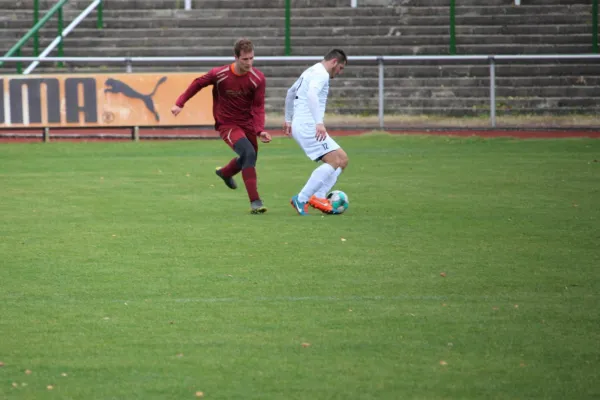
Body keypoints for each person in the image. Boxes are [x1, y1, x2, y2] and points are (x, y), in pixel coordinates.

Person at [171, 38, 272, 214]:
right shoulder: (220, 74)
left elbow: (258, 107)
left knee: (249, 158)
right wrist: (180, 103)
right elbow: (198, 83)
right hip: (227, 124)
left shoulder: (258, 79)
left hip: (247, 124)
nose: (249, 63)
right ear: (235, 57)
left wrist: (260, 130)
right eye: (245, 59)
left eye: (251, 58)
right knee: (248, 153)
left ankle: (225, 173)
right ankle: (255, 201)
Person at [284, 49, 349, 215]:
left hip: (303, 123)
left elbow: (290, 93)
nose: (339, 72)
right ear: (334, 62)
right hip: (309, 125)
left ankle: (318, 196)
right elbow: (312, 94)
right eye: (340, 68)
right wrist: (319, 122)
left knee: (342, 159)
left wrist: (288, 120)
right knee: (333, 160)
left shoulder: (311, 70)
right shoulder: (322, 74)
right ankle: (303, 197)